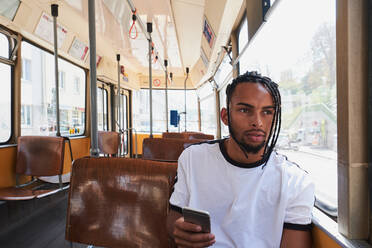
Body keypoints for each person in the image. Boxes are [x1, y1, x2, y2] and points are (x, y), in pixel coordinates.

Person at [166, 71, 315, 248]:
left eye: (267, 112)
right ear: (225, 116)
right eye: (245, 110)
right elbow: (174, 218)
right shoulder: (193, 158)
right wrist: (180, 231)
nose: (258, 122)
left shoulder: (296, 182)